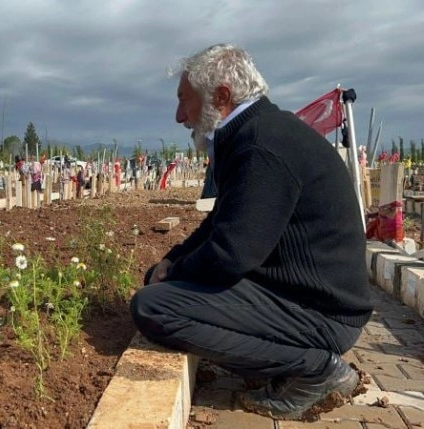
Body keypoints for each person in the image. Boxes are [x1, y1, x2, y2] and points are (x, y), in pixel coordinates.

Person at [129, 44, 372, 420]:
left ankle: (315, 370)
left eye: (184, 101)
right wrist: (172, 259)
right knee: (160, 288)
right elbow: (222, 222)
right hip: (304, 295)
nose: (180, 116)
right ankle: (286, 365)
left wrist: (174, 275)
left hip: (322, 313)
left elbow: (232, 254)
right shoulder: (255, 133)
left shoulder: (262, 145)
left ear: (221, 97)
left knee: (154, 307)